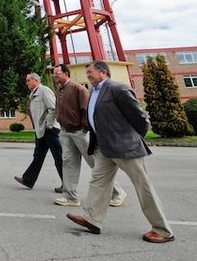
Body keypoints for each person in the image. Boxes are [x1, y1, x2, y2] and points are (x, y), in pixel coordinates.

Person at [66, 61, 175, 243]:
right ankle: (92, 219)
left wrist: (130, 137)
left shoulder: (118, 88)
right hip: (102, 146)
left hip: (125, 147)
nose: (88, 76)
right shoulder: (93, 91)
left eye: (91, 72)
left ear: (103, 72)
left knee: (143, 186)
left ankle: (162, 229)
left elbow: (140, 118)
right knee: (98, 182)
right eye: (87, 73)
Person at [52, 64, 126, 208]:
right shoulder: (60, 90)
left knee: (95, 163)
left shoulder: (78, 89)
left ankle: (118, 193)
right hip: (66, 132)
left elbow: (88, 109)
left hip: (80, 132)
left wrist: (85, 128)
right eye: (54, 74)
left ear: (65, 73)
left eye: (57, 73)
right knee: (68, 164)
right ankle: (71, 197)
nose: (54, 76)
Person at [14, 73, 63, 192]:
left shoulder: (44, 90)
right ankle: (28, 180)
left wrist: (48, 124)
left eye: (28, 80)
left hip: (49, 130)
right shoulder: (33, 93)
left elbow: (53, 108)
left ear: (36, 80)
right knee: (38, 156)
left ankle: (68, 184)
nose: (27, 83)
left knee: (59, 157)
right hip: (40, 130)